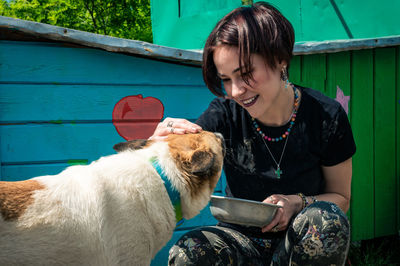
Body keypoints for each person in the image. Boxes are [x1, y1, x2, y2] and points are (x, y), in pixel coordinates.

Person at [150, 2, 356, 265]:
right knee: (190, 251)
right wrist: (156, 149)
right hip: (239, 242)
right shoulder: (223, 115)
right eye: (225, 79)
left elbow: (341, 198)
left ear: (280, 59)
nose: (236, 91)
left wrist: (296, 203)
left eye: (245, 73)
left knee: (326, 218)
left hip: (301, 244)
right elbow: (180, 165)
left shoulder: (326, 116)